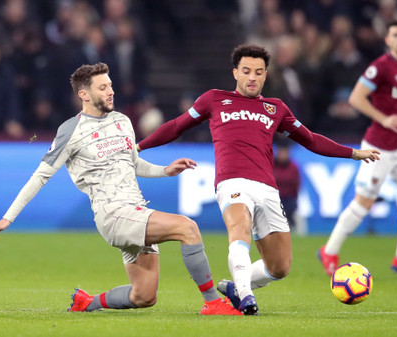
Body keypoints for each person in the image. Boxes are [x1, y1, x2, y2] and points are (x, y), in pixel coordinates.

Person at [137, 44, 380, 315]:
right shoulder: (213, 100)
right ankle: (246, 297)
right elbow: (176, 126)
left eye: (259, 72)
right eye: (246, 71)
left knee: (280, 266)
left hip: (267, 187)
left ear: (266, 76)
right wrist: (140, 146)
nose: (252, 77)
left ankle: (236, 286)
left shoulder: (275, 108)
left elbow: (310, 140)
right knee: (239, 230)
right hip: (232, 182)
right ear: (235, 73)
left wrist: (354, 153)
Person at [0, 62, 241, 316]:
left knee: (143, 296)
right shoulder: (70, 130)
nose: (111, 91)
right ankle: (213, 303)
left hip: (136, 209)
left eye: (110, 85)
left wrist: (165, 170)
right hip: (113, 214)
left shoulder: (122, 121)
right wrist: (9, 217)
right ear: (84, 95)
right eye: (102, 87)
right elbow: (41, 176)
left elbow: (131, 163)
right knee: (188, 228)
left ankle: (86, 302)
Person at [318, 19, 397, 278]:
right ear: (388, 40)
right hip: (378, 147)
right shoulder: (379, 68)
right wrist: (385, 119)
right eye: (396, 35)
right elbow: (355, 98)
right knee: (364, 203)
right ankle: (330, 250)